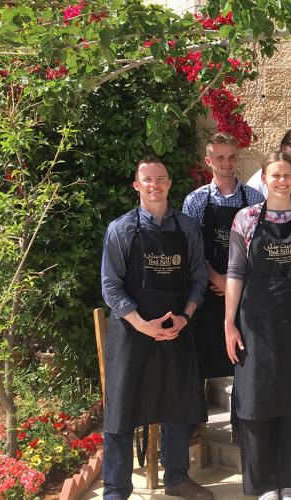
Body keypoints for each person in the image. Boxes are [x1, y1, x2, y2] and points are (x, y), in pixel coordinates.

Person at [100, 157, 212, 500]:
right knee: (121, 410)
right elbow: (111, 286)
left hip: (176, 330)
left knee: (176, 403)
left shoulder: (188, 228)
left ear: (168, 184)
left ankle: (177, 477)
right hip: (133, 334)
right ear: (137, 185)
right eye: (147, 180)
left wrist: (186, 316)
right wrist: (141, 324)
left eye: (160, 179)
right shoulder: (120, 229)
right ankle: (116, 488)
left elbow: (198, 280)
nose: (154, 185)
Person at [224, 152, 291, 500]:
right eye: (275, 175)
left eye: (287, 175)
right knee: (256, 399)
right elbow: (236, 273)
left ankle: (289, 483)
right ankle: (263, 484)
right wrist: (229, 323)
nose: (282, 181)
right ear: (264, 180)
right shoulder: (246, 219)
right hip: (254, 322)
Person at [182, 133, 263, 382]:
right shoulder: (195, 201)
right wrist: (217, 278)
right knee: (203, 356)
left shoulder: (255, 199)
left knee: (245, 359)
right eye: (220, 158)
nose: (227, 163)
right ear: (209, 161)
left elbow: (260, 249)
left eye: (231, 157)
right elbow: (190, 251)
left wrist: (236, 280)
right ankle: (201, 417)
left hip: (246, 289)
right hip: (207, 290)